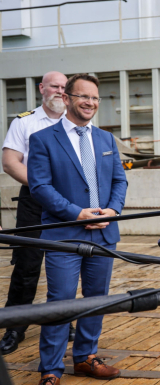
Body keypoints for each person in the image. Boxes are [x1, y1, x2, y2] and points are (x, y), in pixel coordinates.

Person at [28, 73, 127, 385]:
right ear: (66, 99)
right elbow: (40, 187)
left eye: (95, 98)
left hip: (104, 233)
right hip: (64, 234)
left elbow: (120, 181)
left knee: (97, 298)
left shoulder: (106, 139)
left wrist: (113, 210)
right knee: (61, 300)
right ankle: (51, 369)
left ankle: (85, 357)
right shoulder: (43, 139)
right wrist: (78, 213)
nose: (91, 103)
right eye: (84, 96)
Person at [0, 72, 76, 355]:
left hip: (71, 203)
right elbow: (10, 162)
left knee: (65, 263)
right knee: (27, 265)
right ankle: (15, 327)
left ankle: (61, 319)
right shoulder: (25, 121)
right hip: (34, 200)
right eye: (54, 86)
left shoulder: (78, 121)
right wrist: (44, 188)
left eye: (64, 87)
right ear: (42, 88)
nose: (59, 90)